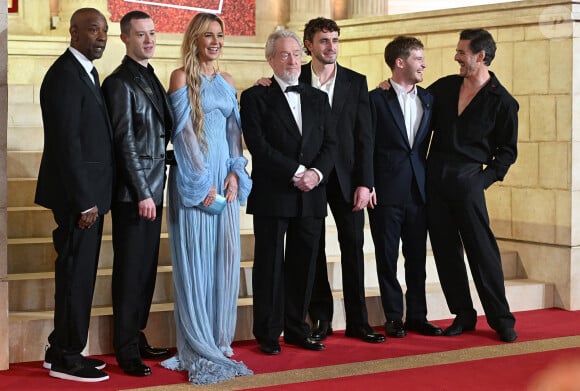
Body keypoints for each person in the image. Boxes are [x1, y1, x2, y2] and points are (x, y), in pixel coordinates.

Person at [159, 13, 253, 385]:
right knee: (195, 263)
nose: (215, 41)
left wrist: (234, 170)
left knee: (224, 261)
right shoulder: (181, 77)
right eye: (208, 35)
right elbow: (182, 135)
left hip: (224, 181)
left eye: (220, 35)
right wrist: (201, 182)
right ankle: (198, 342)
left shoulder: (228, 80)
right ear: (195, 40)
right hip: (194, 180)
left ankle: (219, 338)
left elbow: (234, 134)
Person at [240, 29, 337, 355]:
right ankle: (267, 333)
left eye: (297, 54)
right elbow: (258, 144)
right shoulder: (254, 97)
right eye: (285, 54)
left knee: (305, 264)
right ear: (271, 59)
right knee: (269, 265)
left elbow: (331, 144)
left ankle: (297, 328)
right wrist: (296, 172)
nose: (293, 60)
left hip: (311, 193)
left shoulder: (318, 98)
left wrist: (316, 174)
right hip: (273, 193)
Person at [35, 8, 113, 382]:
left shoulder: (84, 72)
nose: (100, 37)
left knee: (77, 275)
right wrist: (85, 200)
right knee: (75, 277)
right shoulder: (65, 74)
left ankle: (58, 348)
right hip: (77, 200)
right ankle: (68, 356)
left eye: (104, 31)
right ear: (74, 32)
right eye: (93, 30)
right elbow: (67, 144)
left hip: (87, 196)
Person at [425, 29, 518, 342]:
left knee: (483, 252)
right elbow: (412, 101)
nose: (456, 57)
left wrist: (481, 181)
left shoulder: (503, 102)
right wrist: (388, 87)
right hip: (434, 179)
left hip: (468, 181)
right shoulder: (445, 87)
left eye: (462, 52)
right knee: (445, 251)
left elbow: (507, 152)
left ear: (481, 56)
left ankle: (502, 319)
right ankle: (463, 314)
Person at [101, 10, 172, 377]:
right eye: (141, 34)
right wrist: (143, 191)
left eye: (152, 33)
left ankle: (137, 335)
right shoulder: (119, 82)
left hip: (151, 189)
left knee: (144, 270)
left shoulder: (149, 76)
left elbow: (156, 137)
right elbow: (124, 142)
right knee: (130, 272)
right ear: (125, 38)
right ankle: (125, 348)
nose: (149, 40)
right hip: (135, 195)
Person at [368, 36, 442, 339]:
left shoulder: (429, 99)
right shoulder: (375, 99)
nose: (424, 64)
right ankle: (394, 317)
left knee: (416, 259)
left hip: (418, 191)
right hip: (384, 192)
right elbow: (365, 145)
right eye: (418, 58)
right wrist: (367, 184)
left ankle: (418, 316)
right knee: (387, 257)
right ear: (400, 62)